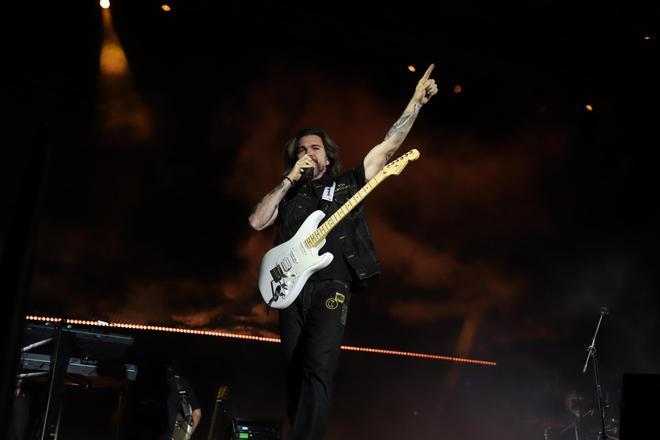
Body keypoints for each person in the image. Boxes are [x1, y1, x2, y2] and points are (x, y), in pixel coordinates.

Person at [248, 65, 437, 439]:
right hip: (290, 290)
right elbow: (257, 222)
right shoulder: (291, 196)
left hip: (331, 285)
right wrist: (287, 180)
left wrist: (414, 104)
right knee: (295, 373)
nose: (308, 153)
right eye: (301, 150)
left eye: (314, 148)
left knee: (319, 366)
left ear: (328, 155)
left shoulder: (348, 184)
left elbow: (388, 147)